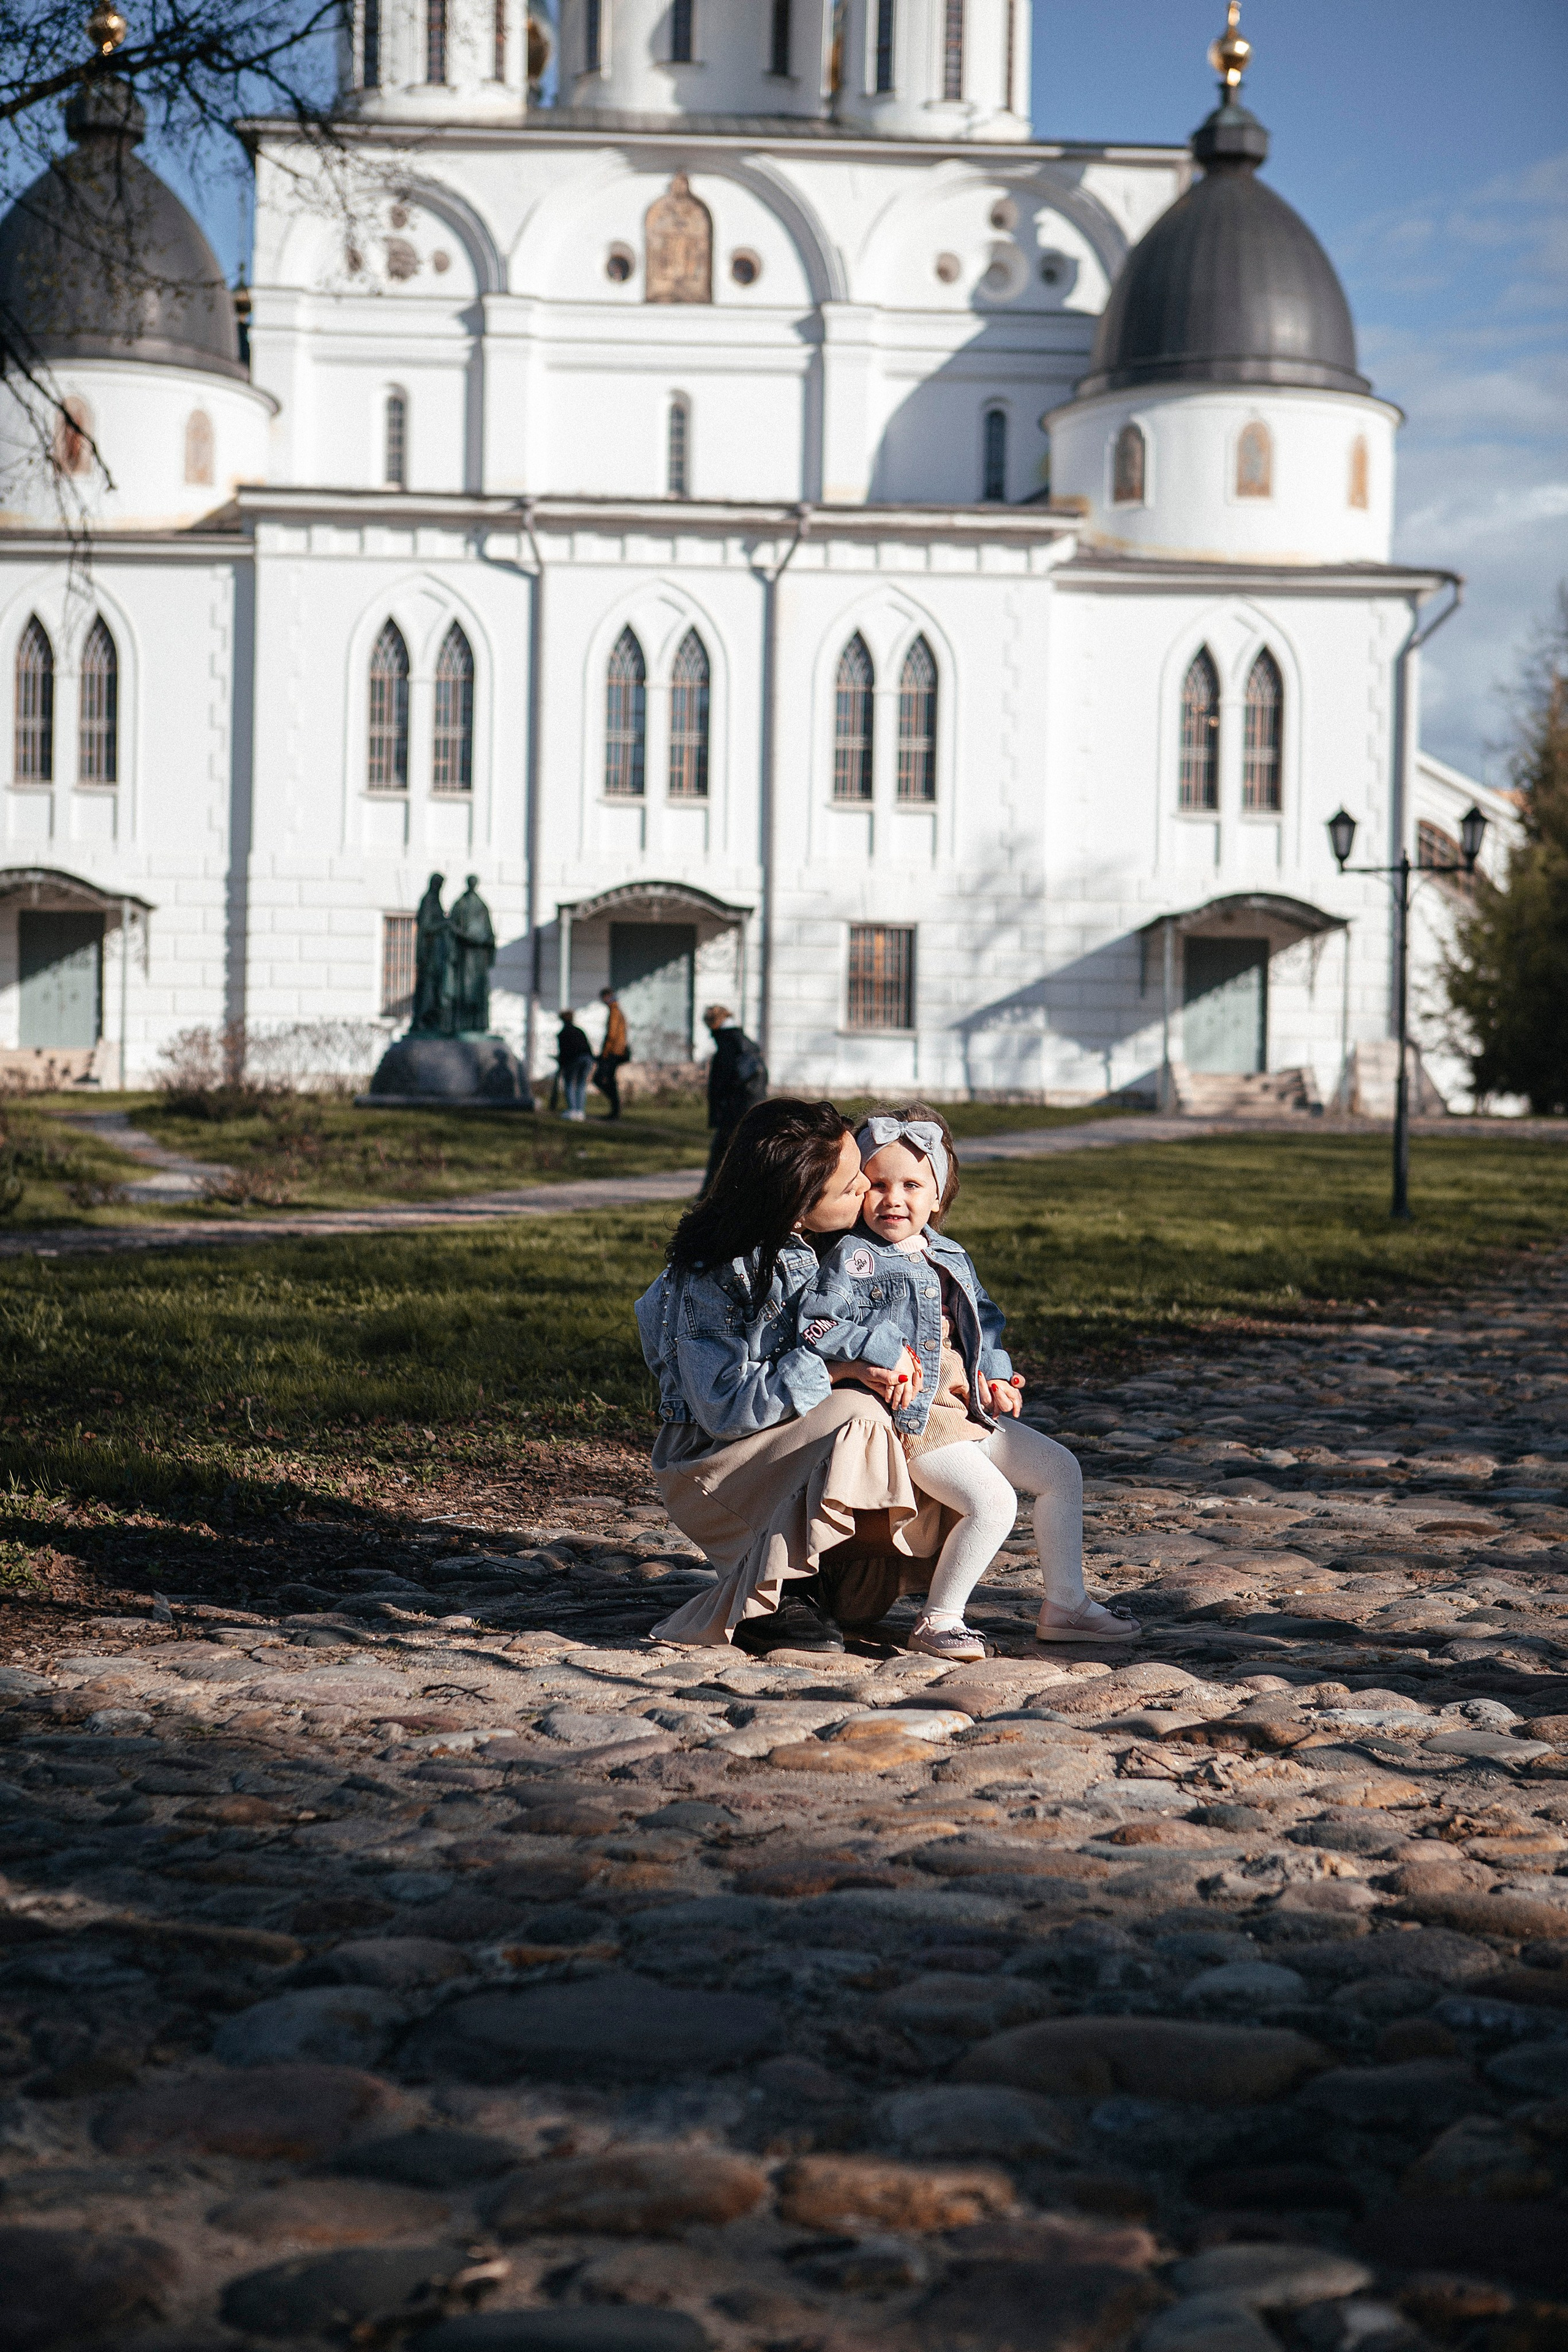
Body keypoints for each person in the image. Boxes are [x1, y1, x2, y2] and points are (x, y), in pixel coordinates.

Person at [797, 1104, 1139, 1661]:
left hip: (967, 1409)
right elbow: (818, 1323)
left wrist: (995, 1376)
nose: (893, 1199)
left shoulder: (949, 1253)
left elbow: (985, 1322)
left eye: (912, 1184)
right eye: (877, 1185)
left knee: (1061, 1471)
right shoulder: (853, 1258)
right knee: (993, 1501)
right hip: (914, 1419)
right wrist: (879, 1352)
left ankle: (1067, 1605)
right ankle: (939, 1620)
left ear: (938, 1194)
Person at [636, 1098, 941, 1654]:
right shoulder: (716, 1277)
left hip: (788, 1443)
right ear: (797, 1211)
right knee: (862, 1414)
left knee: (931, 1439)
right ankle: (777, 1590)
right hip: (717, 1464)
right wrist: (840, 1366)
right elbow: (726, 1409)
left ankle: (823, 1569)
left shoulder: (841, 1248)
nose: (870, 1194)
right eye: (853, 1188)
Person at [701, 1003, 767, 1193]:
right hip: (747, 1106)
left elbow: (726, 1081)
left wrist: (722, 1106)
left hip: (735, 1110)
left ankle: (709, 1197)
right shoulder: (743, 1041)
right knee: (735, 1154)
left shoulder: (729, 1043)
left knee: (724, 1155)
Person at [594, 986, 630, 1120]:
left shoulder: (614, 1012)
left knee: (600, 1078)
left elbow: (612, 1035)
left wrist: (605, 1053)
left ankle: (616, 1105)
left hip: (613, 1052)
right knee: (609, 1079)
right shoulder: (617, 1010)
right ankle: (615, 1108)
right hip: (617, 1050)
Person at [555, 1010, 594, 1121]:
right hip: (587, 1058)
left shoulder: (563, 1033)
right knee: (581, 1084)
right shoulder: (579, 1031)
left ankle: (572, 1110)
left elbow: (564, 1051)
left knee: (569, 1083)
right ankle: (580, 1111)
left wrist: (562, 1064)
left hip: (574, 1059)